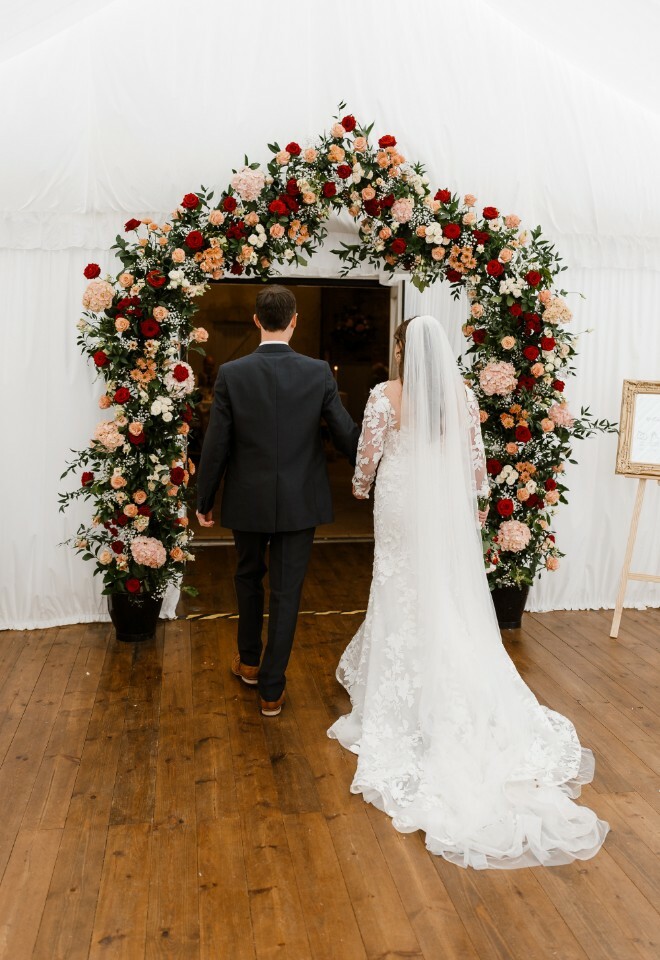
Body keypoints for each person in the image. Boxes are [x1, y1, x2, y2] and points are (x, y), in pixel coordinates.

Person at [328, 315, 609, 869]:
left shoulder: (385, 395)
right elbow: (478, 471)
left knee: (398, 585)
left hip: (402, 501)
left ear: (407, 350)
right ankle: (453, 675)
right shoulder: (461, 397)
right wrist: (472, 503)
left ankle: (403, 687)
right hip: (444, 507)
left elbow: (367, 456)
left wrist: (361, 488)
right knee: (445, 593)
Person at [196, 285, 359, 716]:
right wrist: (381, 450)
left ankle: (249, 663)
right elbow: (346, 436)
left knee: (248, 578)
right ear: (294, 320)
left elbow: (215, 445)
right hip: (299, 501)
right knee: (286, 593)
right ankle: (272, 689)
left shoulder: (232, 373)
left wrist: (204, 498)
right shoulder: (319, 372)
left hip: (247, 499)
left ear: (256, 321)